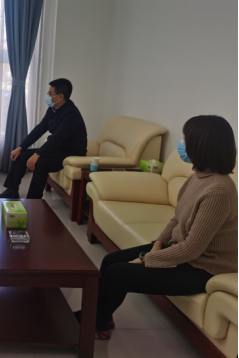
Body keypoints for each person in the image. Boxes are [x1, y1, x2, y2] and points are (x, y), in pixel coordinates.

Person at [76, 115, 238, 340]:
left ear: (201, 145)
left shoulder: (218, 191)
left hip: (203, 268)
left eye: (185, 140)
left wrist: (147, 259)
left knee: (118, 273)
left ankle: (96, 326)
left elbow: (192, 249)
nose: (181, 144)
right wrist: (158, 243)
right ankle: (100, 315)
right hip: (184, 253)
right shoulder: (198, 177)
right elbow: (176, 219)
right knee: (110, 260)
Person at [0, 78, 87, 200]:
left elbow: (57, 138)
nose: (47, 97)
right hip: (57, 149)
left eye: (50, 94)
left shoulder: (71, 114)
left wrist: (37, 154)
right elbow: (39, 129)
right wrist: (20, 147)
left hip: (70, 152)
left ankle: (33, 201)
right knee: (21, 155)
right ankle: (11, 191)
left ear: (60, 97)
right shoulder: (53, 109)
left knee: (41, 163)